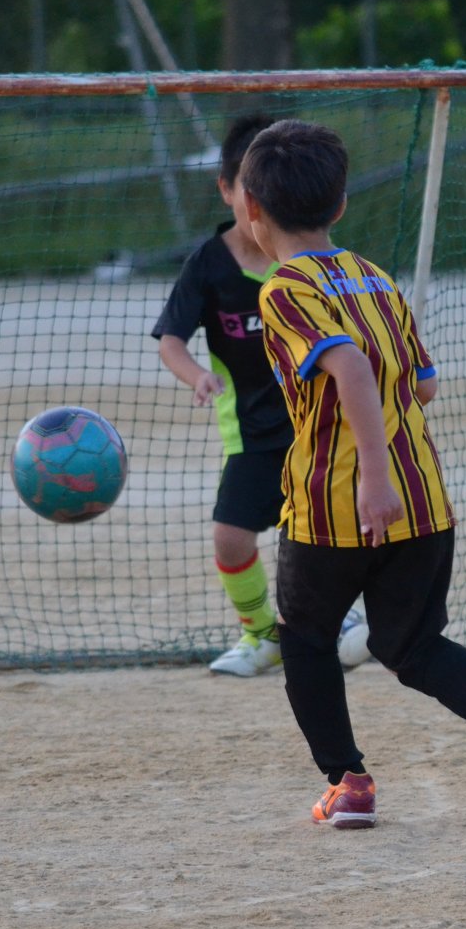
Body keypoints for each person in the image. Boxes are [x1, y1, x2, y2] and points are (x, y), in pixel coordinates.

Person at [242, 118, 466, 829]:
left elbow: (350, 366)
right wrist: (391, 461)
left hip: (337, 505)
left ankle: (348, 783)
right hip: (424, 502)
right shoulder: (376, 279)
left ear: (250, 212)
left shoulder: (282, 290)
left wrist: (370, 473)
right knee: (411, 645)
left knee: (304, 637)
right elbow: (422, 386)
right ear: (339, 207)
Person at [153, 113, 368, 677]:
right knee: (230, 536)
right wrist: (196, 373)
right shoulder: (208, 266)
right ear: (229, 191)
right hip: (250, 432)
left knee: (323, 532)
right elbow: (170, 338)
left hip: (318, 426)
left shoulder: (312, 266)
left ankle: (343, 622)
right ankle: (261, 635)